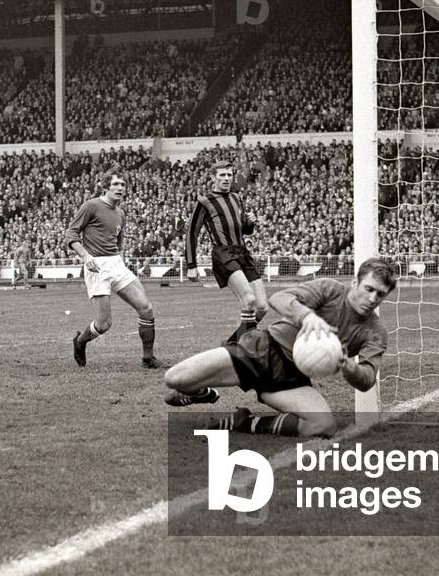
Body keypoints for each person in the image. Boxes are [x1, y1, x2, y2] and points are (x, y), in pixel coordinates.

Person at [163, 257, 398, 438]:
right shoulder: (331, 289)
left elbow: (367, 379)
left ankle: (244, 422)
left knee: (322, 425)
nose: (373, 298)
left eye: (380, 294)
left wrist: (348, 365)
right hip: (263, 350)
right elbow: (280, 298)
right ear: (355, 283)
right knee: (175, 379)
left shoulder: (376, 332)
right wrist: (307, 316)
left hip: (292, 378)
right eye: (369, 289)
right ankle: (203, 392)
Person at [64, 163, 164, 369]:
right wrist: (85, 256)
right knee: (104, 325)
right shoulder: (91, 206)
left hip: (116, 263)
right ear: (105, 187)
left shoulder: (120, 213)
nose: (120, 187)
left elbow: (118, 244)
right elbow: (71, 234)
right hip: (96, 266)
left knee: (146, 308)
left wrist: (120, 262)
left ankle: (148, 358)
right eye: (116, 184)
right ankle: (81, 340)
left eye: (123, 184)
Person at [185, 160, 266, 341]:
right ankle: (245, 348)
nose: (227, 178)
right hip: (223, 254)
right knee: (249, 299)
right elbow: (192, 232)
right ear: (213, 178)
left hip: (243, 253)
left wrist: (250, 222)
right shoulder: (205, 202)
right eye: (222, 175)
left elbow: (245, 230)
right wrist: (191, 265)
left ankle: (234, 342)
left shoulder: (237, 198)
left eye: (229, 175)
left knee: (262, 307)